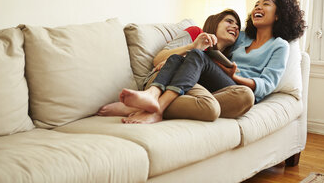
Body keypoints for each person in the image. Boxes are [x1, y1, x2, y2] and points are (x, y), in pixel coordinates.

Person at [115, 0, 306, 124]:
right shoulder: (242, 37)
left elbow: (267, 84)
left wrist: (235, 77)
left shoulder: (279, 45)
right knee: (190, 55)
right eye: (256, 3)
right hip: (217, 84)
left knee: (242, 94)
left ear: (279, 14)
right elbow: (216, 42)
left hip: (239, 88)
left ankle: (150, 105)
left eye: (265, 4)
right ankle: (155, 103)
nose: (258, 6)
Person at [98, 9, 254, 121]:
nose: (235, 26)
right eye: (229, 21)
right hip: (165, 79)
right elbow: (159, 60)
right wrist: (192, 46)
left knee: (224, 102)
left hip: (191, 91)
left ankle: (141, 107)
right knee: (193, 58)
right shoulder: (196, 32)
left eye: (237, 26)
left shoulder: (224, 59)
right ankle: (154, 100)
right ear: (215, 22)